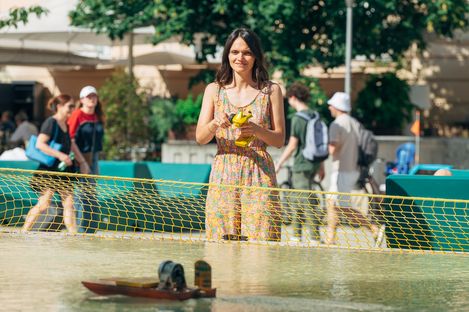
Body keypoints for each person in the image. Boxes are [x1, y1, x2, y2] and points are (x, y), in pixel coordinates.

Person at [196, 28, 285, 241]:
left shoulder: (271, 91)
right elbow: (200, 138)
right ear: (227, 55)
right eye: (235, 52)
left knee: (260, 242)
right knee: (222, 241)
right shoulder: (213, 90)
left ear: (256, 56)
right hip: (223, 171)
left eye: (247, 52)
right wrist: (215, 124)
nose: (240, 58)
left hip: (259, 172)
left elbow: (280, 139)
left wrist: (257, 130)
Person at [325, 92, 379, 245]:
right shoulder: (355, 123)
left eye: (331, 105)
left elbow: (332, 149)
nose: (329, 107)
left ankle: (373, 228)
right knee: (333, 204)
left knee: (341, 206)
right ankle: (330, 238)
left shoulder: (336, 124)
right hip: (353, 168)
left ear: (337, 107)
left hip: (342, 169)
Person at [275, 82, 325, 243]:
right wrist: (321, 165)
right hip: (314, 162)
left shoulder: (297, 118)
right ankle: (296, 234)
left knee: (305, 199)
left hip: (301, 164)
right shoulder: (314, 114)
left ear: (293, 97)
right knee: (298, 197)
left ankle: (315, 237)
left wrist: (279, 163)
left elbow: (292, 145)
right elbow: (319, 142)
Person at [22, 94, 77, 233]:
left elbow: (70, 145)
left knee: (69, 204)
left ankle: (73, 235)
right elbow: (40, 144)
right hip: (49, 171)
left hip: (63, 172)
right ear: (59, 107)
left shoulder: (66, 124)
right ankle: (23, 231)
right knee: (43, 205)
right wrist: (61, 155)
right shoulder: (51, 122)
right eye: (70, 106)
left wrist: (77, 160)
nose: (73, 109)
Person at [67, 85, 104, 233]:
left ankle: (91, 229)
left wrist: (93, 161)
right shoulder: (77, 115)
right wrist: (81, 161)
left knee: (91, 193)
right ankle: (81, 229)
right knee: (81, 195)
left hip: (93, 158)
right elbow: (70, 140)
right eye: (89, 96)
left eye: (94, 96)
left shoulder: (98, 117)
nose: (92, 99)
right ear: (82, 99)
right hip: (79, 158)